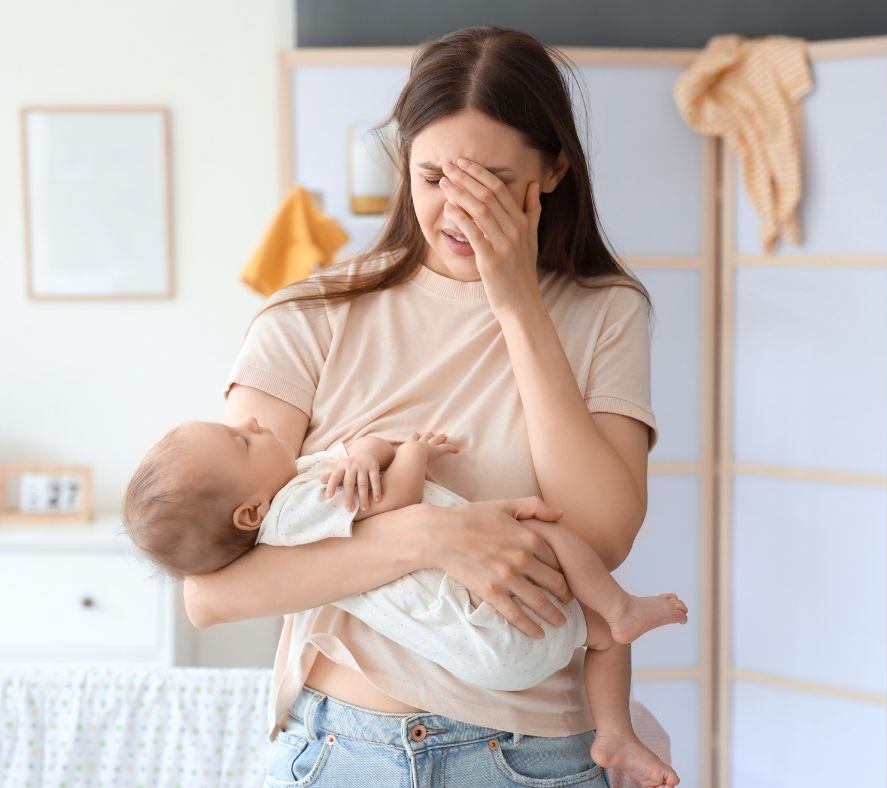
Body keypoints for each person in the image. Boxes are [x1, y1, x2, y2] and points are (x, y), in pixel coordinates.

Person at [183, 25, 677, 788]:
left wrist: (516, 304)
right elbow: (214, 590)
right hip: (342, 749)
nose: (457, 209)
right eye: (434, 176)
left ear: (551, 173)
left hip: (532, 758)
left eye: (490, 181)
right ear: (403, 164)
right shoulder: (307, 317)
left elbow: (603, 536)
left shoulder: (603, 313)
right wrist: (431, 538)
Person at [124, 421, 688, 783]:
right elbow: (398, 496)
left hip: (493, 649)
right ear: (248, 513)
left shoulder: (295, 492)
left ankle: (615, 736)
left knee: (589, 629)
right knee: (551, 539)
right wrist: (413, 451)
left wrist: (367, 450)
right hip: (489, 628)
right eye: (240, 441)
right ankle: (620, 614)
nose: (249, 423)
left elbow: (356, 457)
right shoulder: (294, 509)